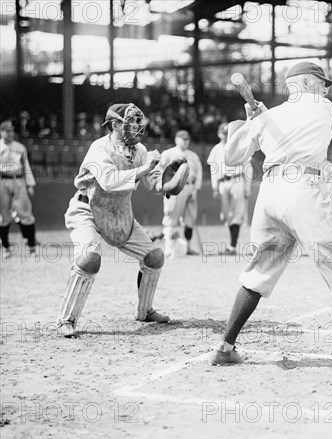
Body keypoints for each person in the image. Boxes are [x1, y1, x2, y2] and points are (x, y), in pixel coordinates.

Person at [206, 61, 332, 377]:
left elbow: (231, 157)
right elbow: (296, 113)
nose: (326, 88)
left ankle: (224, 347)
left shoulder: (271, 116)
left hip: (270, 193)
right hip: (303, 190)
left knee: (259, 271)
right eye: (321, 82)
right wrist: (257, 117)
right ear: (304, 84)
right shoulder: (320, 107)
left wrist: (252, 122)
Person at [56, 103, 170, 337]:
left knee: (154, 257)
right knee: (89, 259)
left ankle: (145, 310)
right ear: (115, 124)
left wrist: (165, 184)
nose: (137, 127)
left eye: (139, 121)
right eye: (131, 121)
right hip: (87, 207)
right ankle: (66, 319)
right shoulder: (99, 147)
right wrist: (146, 168)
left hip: (119, 211)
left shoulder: (139, 150)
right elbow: (108, 181)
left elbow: (151, 182)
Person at [207, 122, 252, 255]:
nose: (226, 135)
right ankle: (231, 245)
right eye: (224, 132)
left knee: (237, 213)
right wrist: (215, 188)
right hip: (222, 182)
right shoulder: (215, 149)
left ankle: (232, 247)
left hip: (237, 179)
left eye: (228, 132)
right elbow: (213, 171)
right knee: (226, 214)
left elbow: (248, 168)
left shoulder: (239, 146)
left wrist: (247, 188)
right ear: (219, 133)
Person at [161, 129, 203, 257]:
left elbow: (199, 173)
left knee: (189, 219)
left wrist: (196, 188)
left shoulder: (193, 155)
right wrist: (165, 188)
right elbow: (161, 171)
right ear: (176, 139)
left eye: (187, 139)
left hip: (190, 187)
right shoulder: (168, 153)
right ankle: (169, 248)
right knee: (171, 217)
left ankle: (189, 247)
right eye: (183, 139)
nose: (185, 141)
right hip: (174, 189)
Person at [0, 120, 38, 258]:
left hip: (18, 180)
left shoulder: (20, 147)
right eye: (7, 131)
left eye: (12, 130)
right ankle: (6, 247)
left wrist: (30, 185)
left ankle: (31, 246)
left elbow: (26, 166)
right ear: (1, 132)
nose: (10, 133)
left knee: (25, 212)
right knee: (4, 216)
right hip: (2, 181)